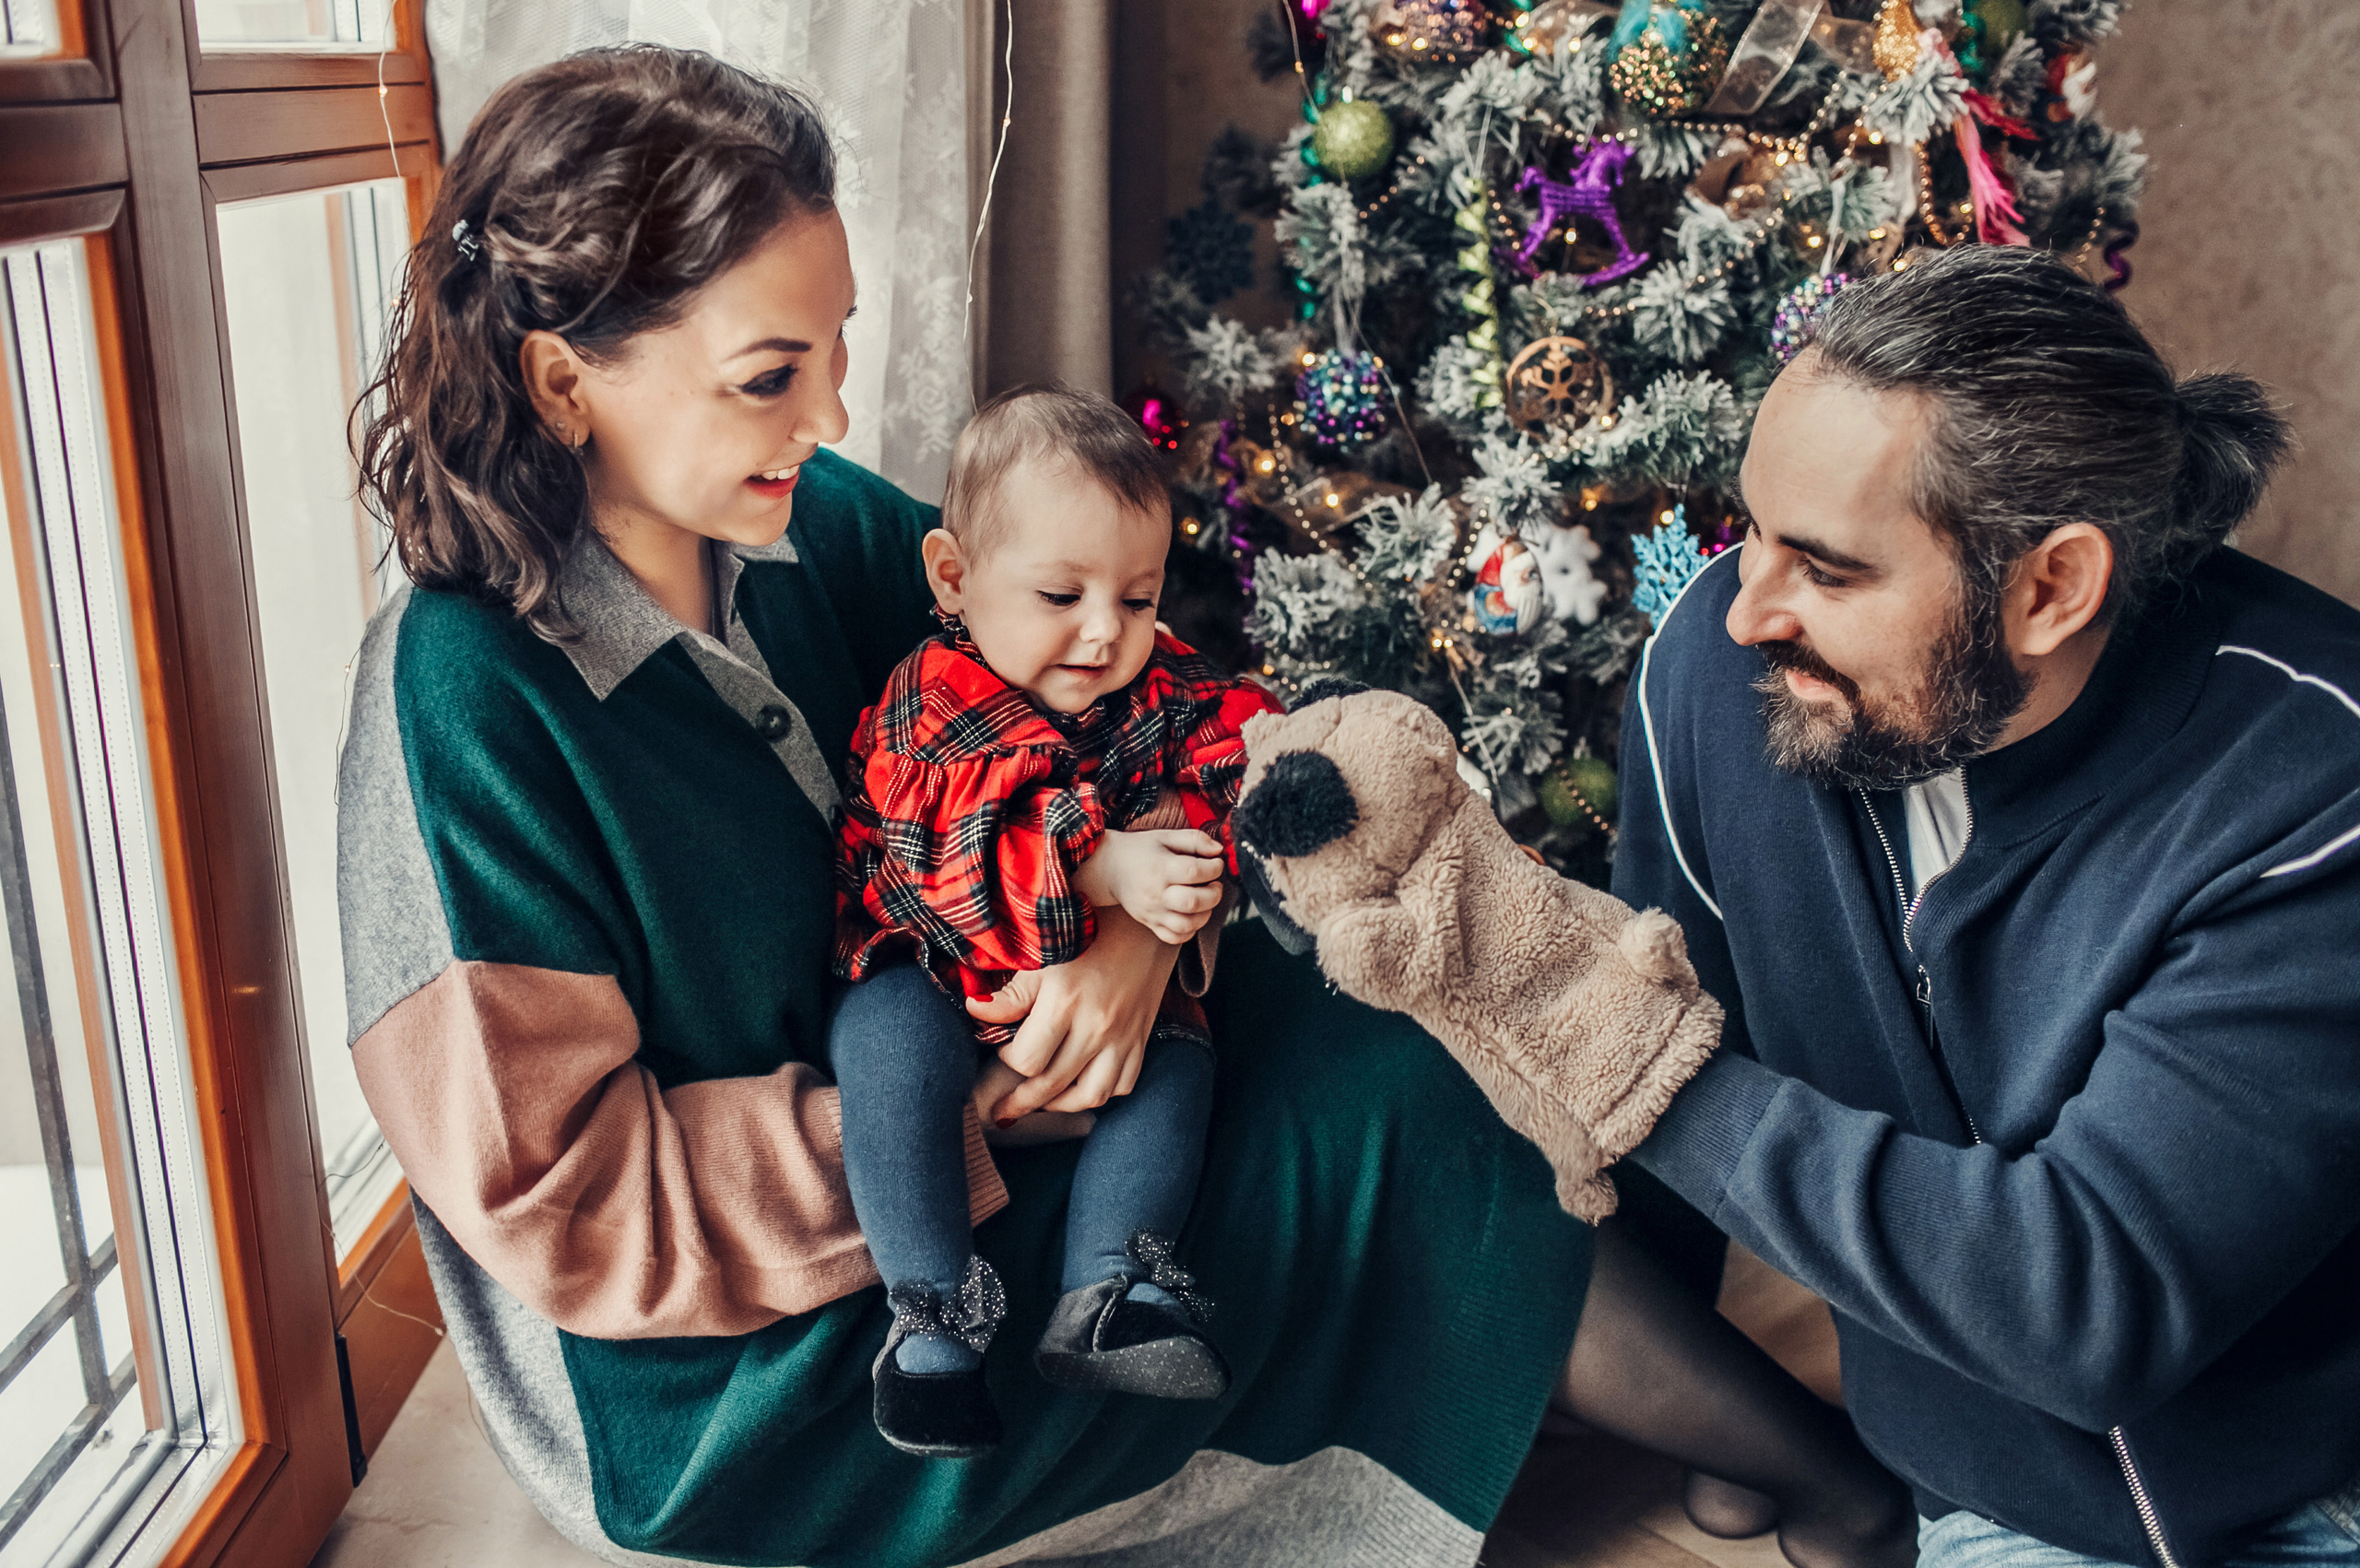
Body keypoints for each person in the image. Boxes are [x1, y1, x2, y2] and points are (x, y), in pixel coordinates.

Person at [338, 43, 1912, 1568]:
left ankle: (1618, 1387)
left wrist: (1141, 945)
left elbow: (1138, 701)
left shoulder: (806, 524)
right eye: (768, 377)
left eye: (835, 352)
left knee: (1355, 1008)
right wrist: (983, 1110)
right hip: (765, 1357)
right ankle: (1801, 1465)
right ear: (562, 381)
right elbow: (579, 1212)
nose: (826, 424)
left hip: (983, 1100)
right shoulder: (465, 692)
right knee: (1363, 1125)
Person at [1612, 243, 2360, 1568]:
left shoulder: (2319, 789)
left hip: (2308, 1493)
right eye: (1750, 533)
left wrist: (1622, 1063)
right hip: (1998, 1507)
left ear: (2051, 586)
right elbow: (1665, 1021)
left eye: (1827, 569)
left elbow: (2092, 1304)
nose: (1744, 612)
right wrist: (1717, 1439)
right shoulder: (1718, 687)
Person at [832, 386, 1282, 1455]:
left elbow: (1227, 742)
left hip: (1093, 987)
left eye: (1136, 598)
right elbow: (941, 851)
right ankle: (931, 1320)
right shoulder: (933, 697)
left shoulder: (1151, 677)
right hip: (932, 968)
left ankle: (1111, 1291)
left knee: (1177, 1063)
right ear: (954, 576)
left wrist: (1271, 769)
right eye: (1060, 594)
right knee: (883, 1052)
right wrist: (1098, 865)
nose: (1102, 632)